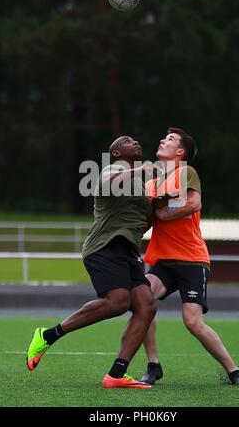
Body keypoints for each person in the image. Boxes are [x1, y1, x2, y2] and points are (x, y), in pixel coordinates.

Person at [26, 136, 157, 389]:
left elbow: (146, 220)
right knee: (118, 302)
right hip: (104, 247)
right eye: (128, 141)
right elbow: (107, 184)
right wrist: (139, 170)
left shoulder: (138, 183)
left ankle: (116, 374)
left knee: (147, 306)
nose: (137, 142)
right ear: (117, 153)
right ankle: (47, 335)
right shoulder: (114, 169)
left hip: (127, 251)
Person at [139, 127, 239, 386]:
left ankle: (234, 370)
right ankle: (153, 366)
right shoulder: (150, 184)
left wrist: (162, 212)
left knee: (192, 321)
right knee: (142, 303)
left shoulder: (186, 172)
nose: (161, 140)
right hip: (162, 262)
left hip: (191, 259)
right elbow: (145, 222)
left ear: (180, 152)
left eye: (169, 139)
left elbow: (193, 203)